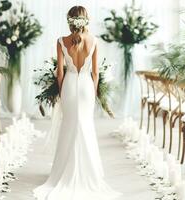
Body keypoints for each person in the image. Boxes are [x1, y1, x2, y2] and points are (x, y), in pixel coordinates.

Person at [33, 6, 122, 200]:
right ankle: (90, 172)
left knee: (69, 126)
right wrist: (94, 90)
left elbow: (60, 73)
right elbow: (96, 73)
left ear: (70, 21)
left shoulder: (61, 41)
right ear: (86, 21)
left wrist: (60, 89)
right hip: (86, 87)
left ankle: (63, 171)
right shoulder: (94, 41)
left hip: (69, 85)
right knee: (86, 126)